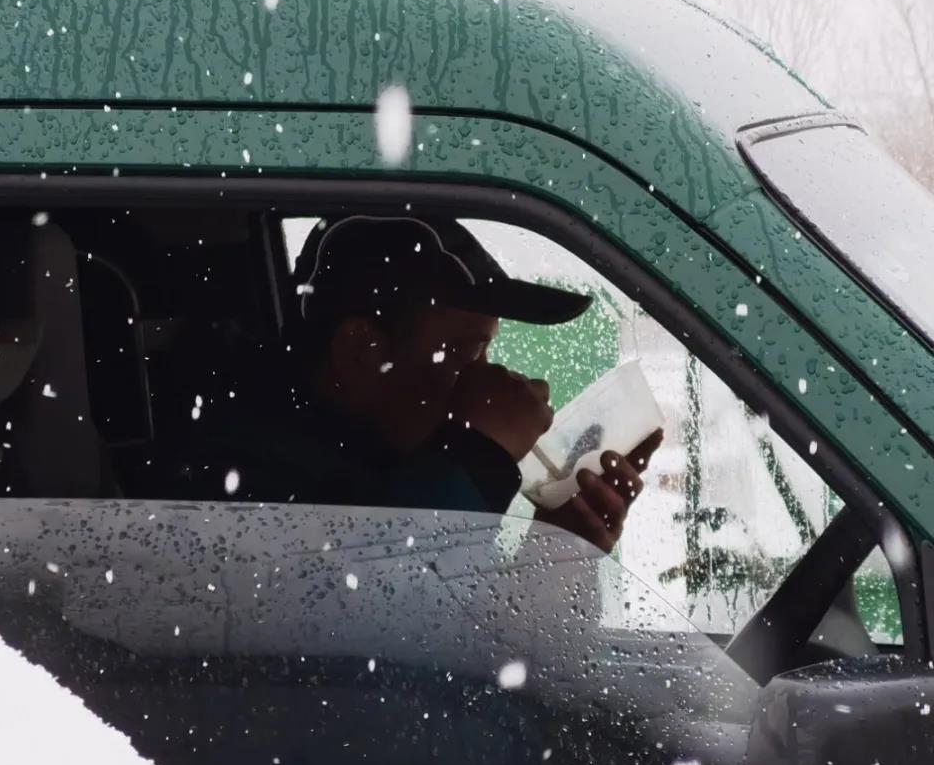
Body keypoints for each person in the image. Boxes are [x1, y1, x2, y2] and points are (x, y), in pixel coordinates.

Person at [215, 215, 661, 552]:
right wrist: (479, 455)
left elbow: (459, 635)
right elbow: (377, 609)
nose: (485, 381)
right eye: (464, 353)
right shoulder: (247, 479)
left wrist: (557, 550)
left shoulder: (374, 469)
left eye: (486, 352)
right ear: (360, 350)